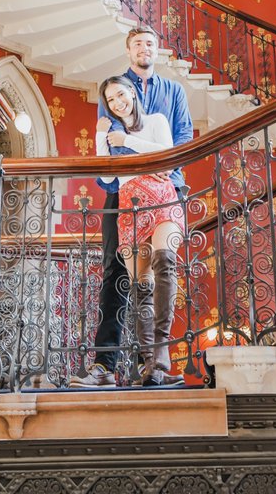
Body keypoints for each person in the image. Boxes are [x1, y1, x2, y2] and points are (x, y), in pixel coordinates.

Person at [75, 26, 193, 388]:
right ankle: (105, 365)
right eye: (138, 43)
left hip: (163, 187)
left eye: (150, 44)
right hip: (124, 191)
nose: (144, 48)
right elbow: (106, 141)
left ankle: (154, 362)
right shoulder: (113, 88)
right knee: (116, 271)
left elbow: (181, 137)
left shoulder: (171, 91)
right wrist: (117, 163)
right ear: (128, 51)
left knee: (163, 264)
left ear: (156, 51)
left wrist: (161, 168)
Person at [95, 75, 184, 386]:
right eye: (111, 100)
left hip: (161, 197)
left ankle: (161, 352)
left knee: (165, 263)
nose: (118, 102)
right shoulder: (111, 133)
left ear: (132, 92)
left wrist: (128, 142)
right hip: (130, 206)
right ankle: (151, 366)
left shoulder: (157, 120)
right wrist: (100, 136)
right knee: (140, 287)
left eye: (121, 94)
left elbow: (167, 160)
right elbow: (106, 176)